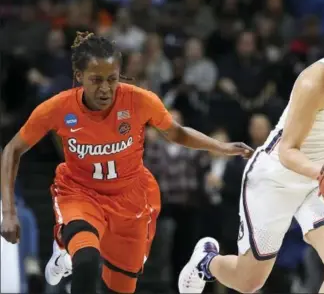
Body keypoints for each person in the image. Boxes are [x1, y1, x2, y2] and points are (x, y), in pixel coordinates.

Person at [178, 0, 324, 294]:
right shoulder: (315, 81)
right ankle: (206, 262)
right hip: (279, 174)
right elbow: (289, 151)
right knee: (249, 281)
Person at [0, 31, 254, 294]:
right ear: (79, 76)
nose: (105, 88)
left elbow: (177, 132)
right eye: (96, 80)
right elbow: (12, 150)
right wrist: (8, 212)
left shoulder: (139, 100)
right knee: (86, 261)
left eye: (112, 79)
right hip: (81, 193)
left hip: (131, 199)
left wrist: (220, 147)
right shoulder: (57, 108)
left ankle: (64, 248)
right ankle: (65, 246)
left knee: (120, 288)